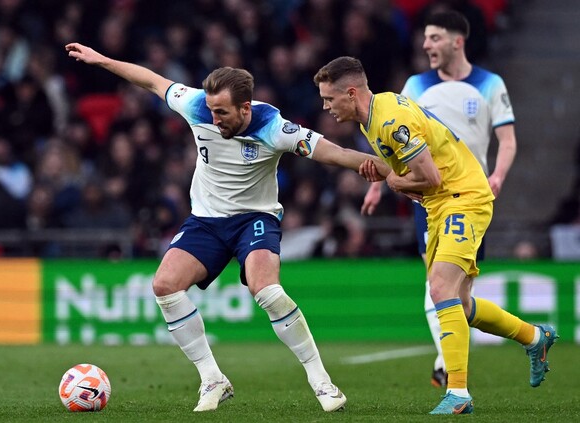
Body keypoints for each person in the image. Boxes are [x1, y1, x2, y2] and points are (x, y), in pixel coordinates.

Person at [65, 41, 384, 413]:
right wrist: (103, 61)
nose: (214, 119)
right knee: (164, 286)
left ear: (245, 108)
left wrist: (388, 170)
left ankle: (321, 381)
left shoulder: (275, 128)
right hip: (207, 220)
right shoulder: (196, 104)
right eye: (212, 110)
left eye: (222, 113)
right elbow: (152, 81)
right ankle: (212, 379)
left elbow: (338, 154)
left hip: (255, 219)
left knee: (267, 290)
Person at [313, 56, 557, 415]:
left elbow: (430, 177)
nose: (325, 106)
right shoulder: (371, 119)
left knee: (440, 289)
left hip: (462, 198)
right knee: (459, 303)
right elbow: (408, 170)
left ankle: (458, 393)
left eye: (329, 99)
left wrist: (393, 181)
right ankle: (535, 337)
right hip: (441, 204)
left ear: (350, 93)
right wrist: (382, 172)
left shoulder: (390, 120)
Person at [361, 10, 518, 388]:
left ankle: (525, 338)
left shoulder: (490, 83)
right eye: (425, 38)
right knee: (438, 284)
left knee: (461, 291)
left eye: (433, 38)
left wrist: (497, 175)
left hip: (472, 193)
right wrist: (378, 182)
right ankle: (448, 366)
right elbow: (395, 138)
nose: (426, 45)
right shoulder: (416, 85)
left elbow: (508, 140)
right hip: (429, 198)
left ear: (456, 41)